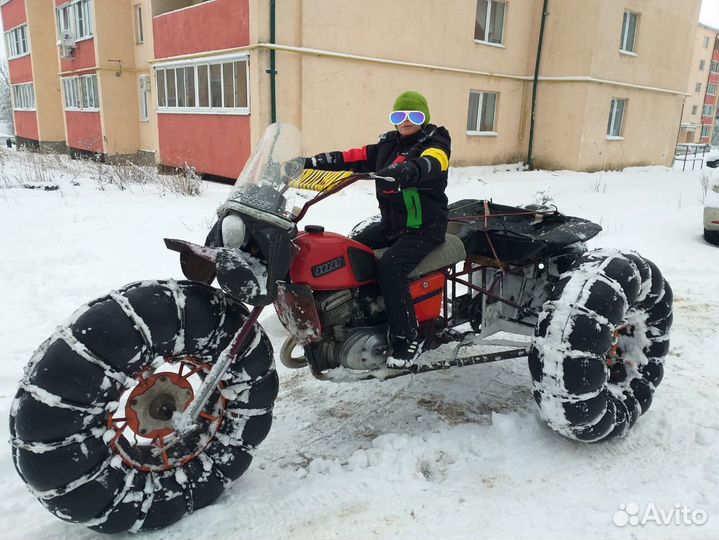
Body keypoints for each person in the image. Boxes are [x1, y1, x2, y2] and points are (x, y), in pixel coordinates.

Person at [304, 90, 451, 368]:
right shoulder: (387, 145)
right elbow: (350, 157)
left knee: (391, 268)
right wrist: (310, 162)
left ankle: (407, 337)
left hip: (425, 228)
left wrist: (410, 170)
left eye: (414, 115)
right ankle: (359, 317)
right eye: (399, 115)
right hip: (392, 225)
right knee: (350, 252)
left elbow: (435, 161)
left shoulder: (436, 140)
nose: (406, 121)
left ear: (425, 117)